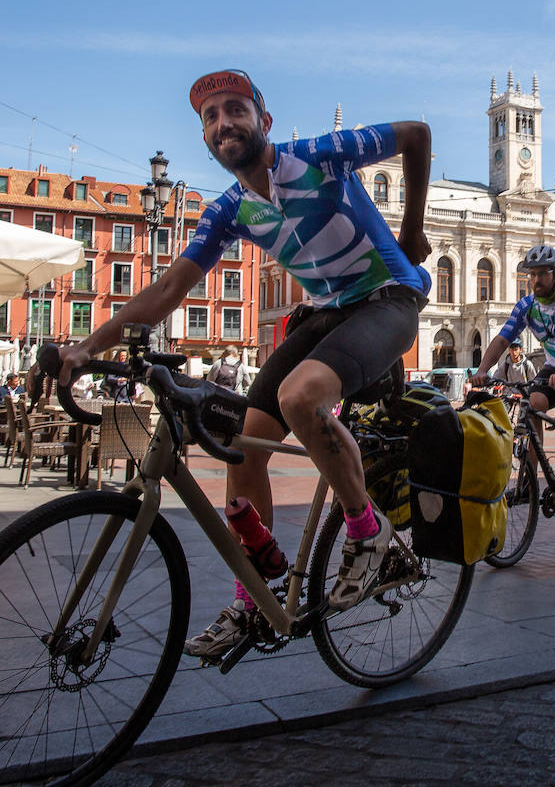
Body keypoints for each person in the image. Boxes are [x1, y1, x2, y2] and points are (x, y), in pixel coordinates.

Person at [56, 69, 433, 661]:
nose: (222, 123)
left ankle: (369, 533)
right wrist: (85, 348)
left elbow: (416, 134)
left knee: (300, 397)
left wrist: (410, 229)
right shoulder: (230, 208)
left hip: (389, 297)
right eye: (209, 117)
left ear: (264, 121)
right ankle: (254, 596)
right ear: (204, 136)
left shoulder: (318, 157)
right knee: (241, 446)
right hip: (324, 313)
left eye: (235, 109)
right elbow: (171, 286)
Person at [470, 243, 555, 511]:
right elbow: (502, 339)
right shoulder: (527, 306)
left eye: (542, 273)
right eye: (531, 274)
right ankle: (528, 482)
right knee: (530, 407)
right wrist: (482, 370)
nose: (535, 280)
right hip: (554, 367)